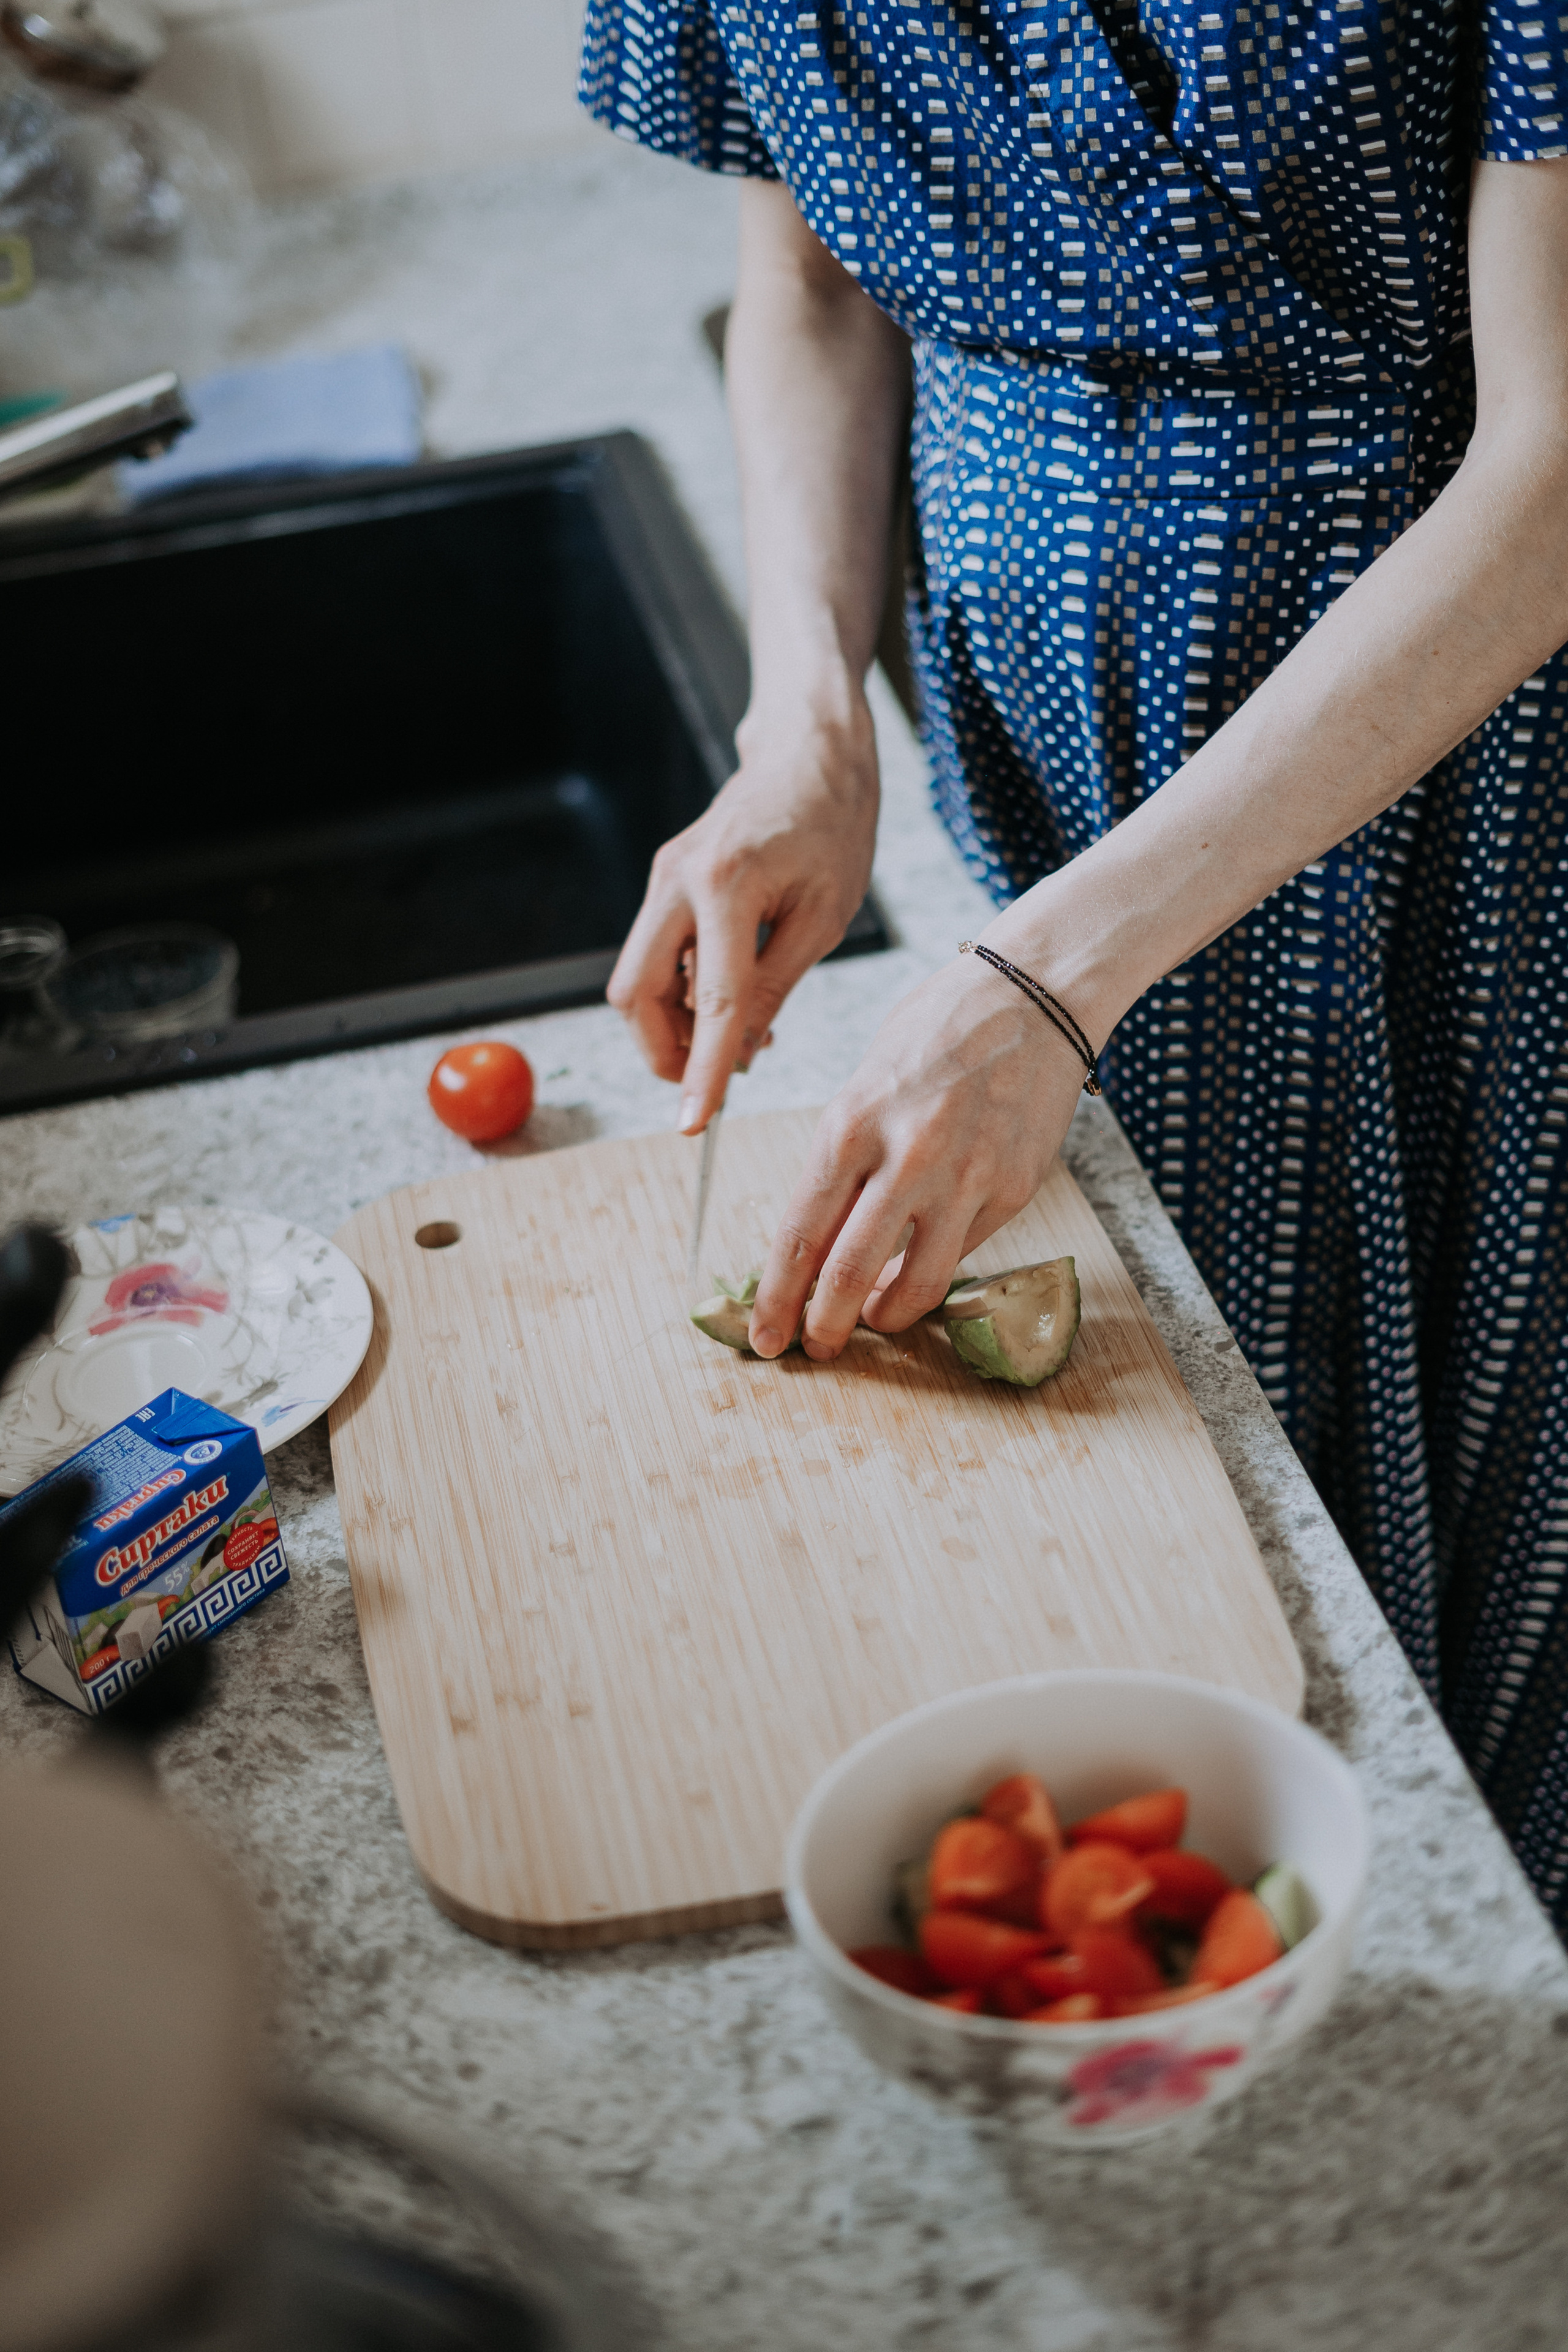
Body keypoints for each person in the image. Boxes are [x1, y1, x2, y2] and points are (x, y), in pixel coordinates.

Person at [579, 0, 1568, 1927]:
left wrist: (1052, 976)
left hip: (1460, 761)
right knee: (1174, 1478)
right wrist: (810, 722)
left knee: (1460, 1459)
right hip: (1026, 742)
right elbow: (809, 270)